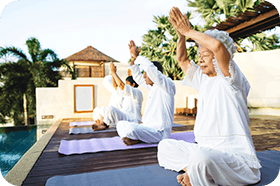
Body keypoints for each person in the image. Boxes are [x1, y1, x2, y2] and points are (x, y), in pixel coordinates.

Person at [157, 7, 261, 186]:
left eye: (204, 55)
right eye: (199, 55)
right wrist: (181, 36)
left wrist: (189, 31)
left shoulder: (232, 79)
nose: (200, 59)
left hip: (236, 159)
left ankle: (198, 171)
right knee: (165, 146)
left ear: (220, 58)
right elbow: (182, 60)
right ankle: (195, 171)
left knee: (202, 157)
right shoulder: (203, 79)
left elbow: (219, 47)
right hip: (205, 150)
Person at [116, 40, 176, 146]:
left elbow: (151, 69)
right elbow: (138, 78)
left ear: (155, 74)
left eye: (146, 74)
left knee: (130, 128)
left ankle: (138, 138)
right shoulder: (152, 87)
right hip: (147, 128)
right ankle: (138, 137)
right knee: (121, 124)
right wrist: (133, 59)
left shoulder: (167, 86)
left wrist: (137, 56)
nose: (144, 76)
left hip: (160, 133)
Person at [92, 62, 143, 131]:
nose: (126, 86)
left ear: (133, 84)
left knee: (111, 109)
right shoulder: (126, 94)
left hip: (132, 120)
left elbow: (121, 85)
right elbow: (116, 87)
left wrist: (114, 72)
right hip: (124, 117)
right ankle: (101, 122)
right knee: (103, 109)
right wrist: (113, 73)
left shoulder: (137, 92)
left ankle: (104, 124)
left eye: (127, 84)